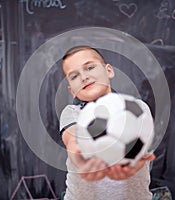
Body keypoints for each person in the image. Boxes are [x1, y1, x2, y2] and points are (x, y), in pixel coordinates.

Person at [59, 45, 155, 200]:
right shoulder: (72, 113)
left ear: (108, 71)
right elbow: (73, 141)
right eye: (74, 76)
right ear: (72, 90)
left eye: (90, 67)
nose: (84, 77)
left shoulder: (136, 109)